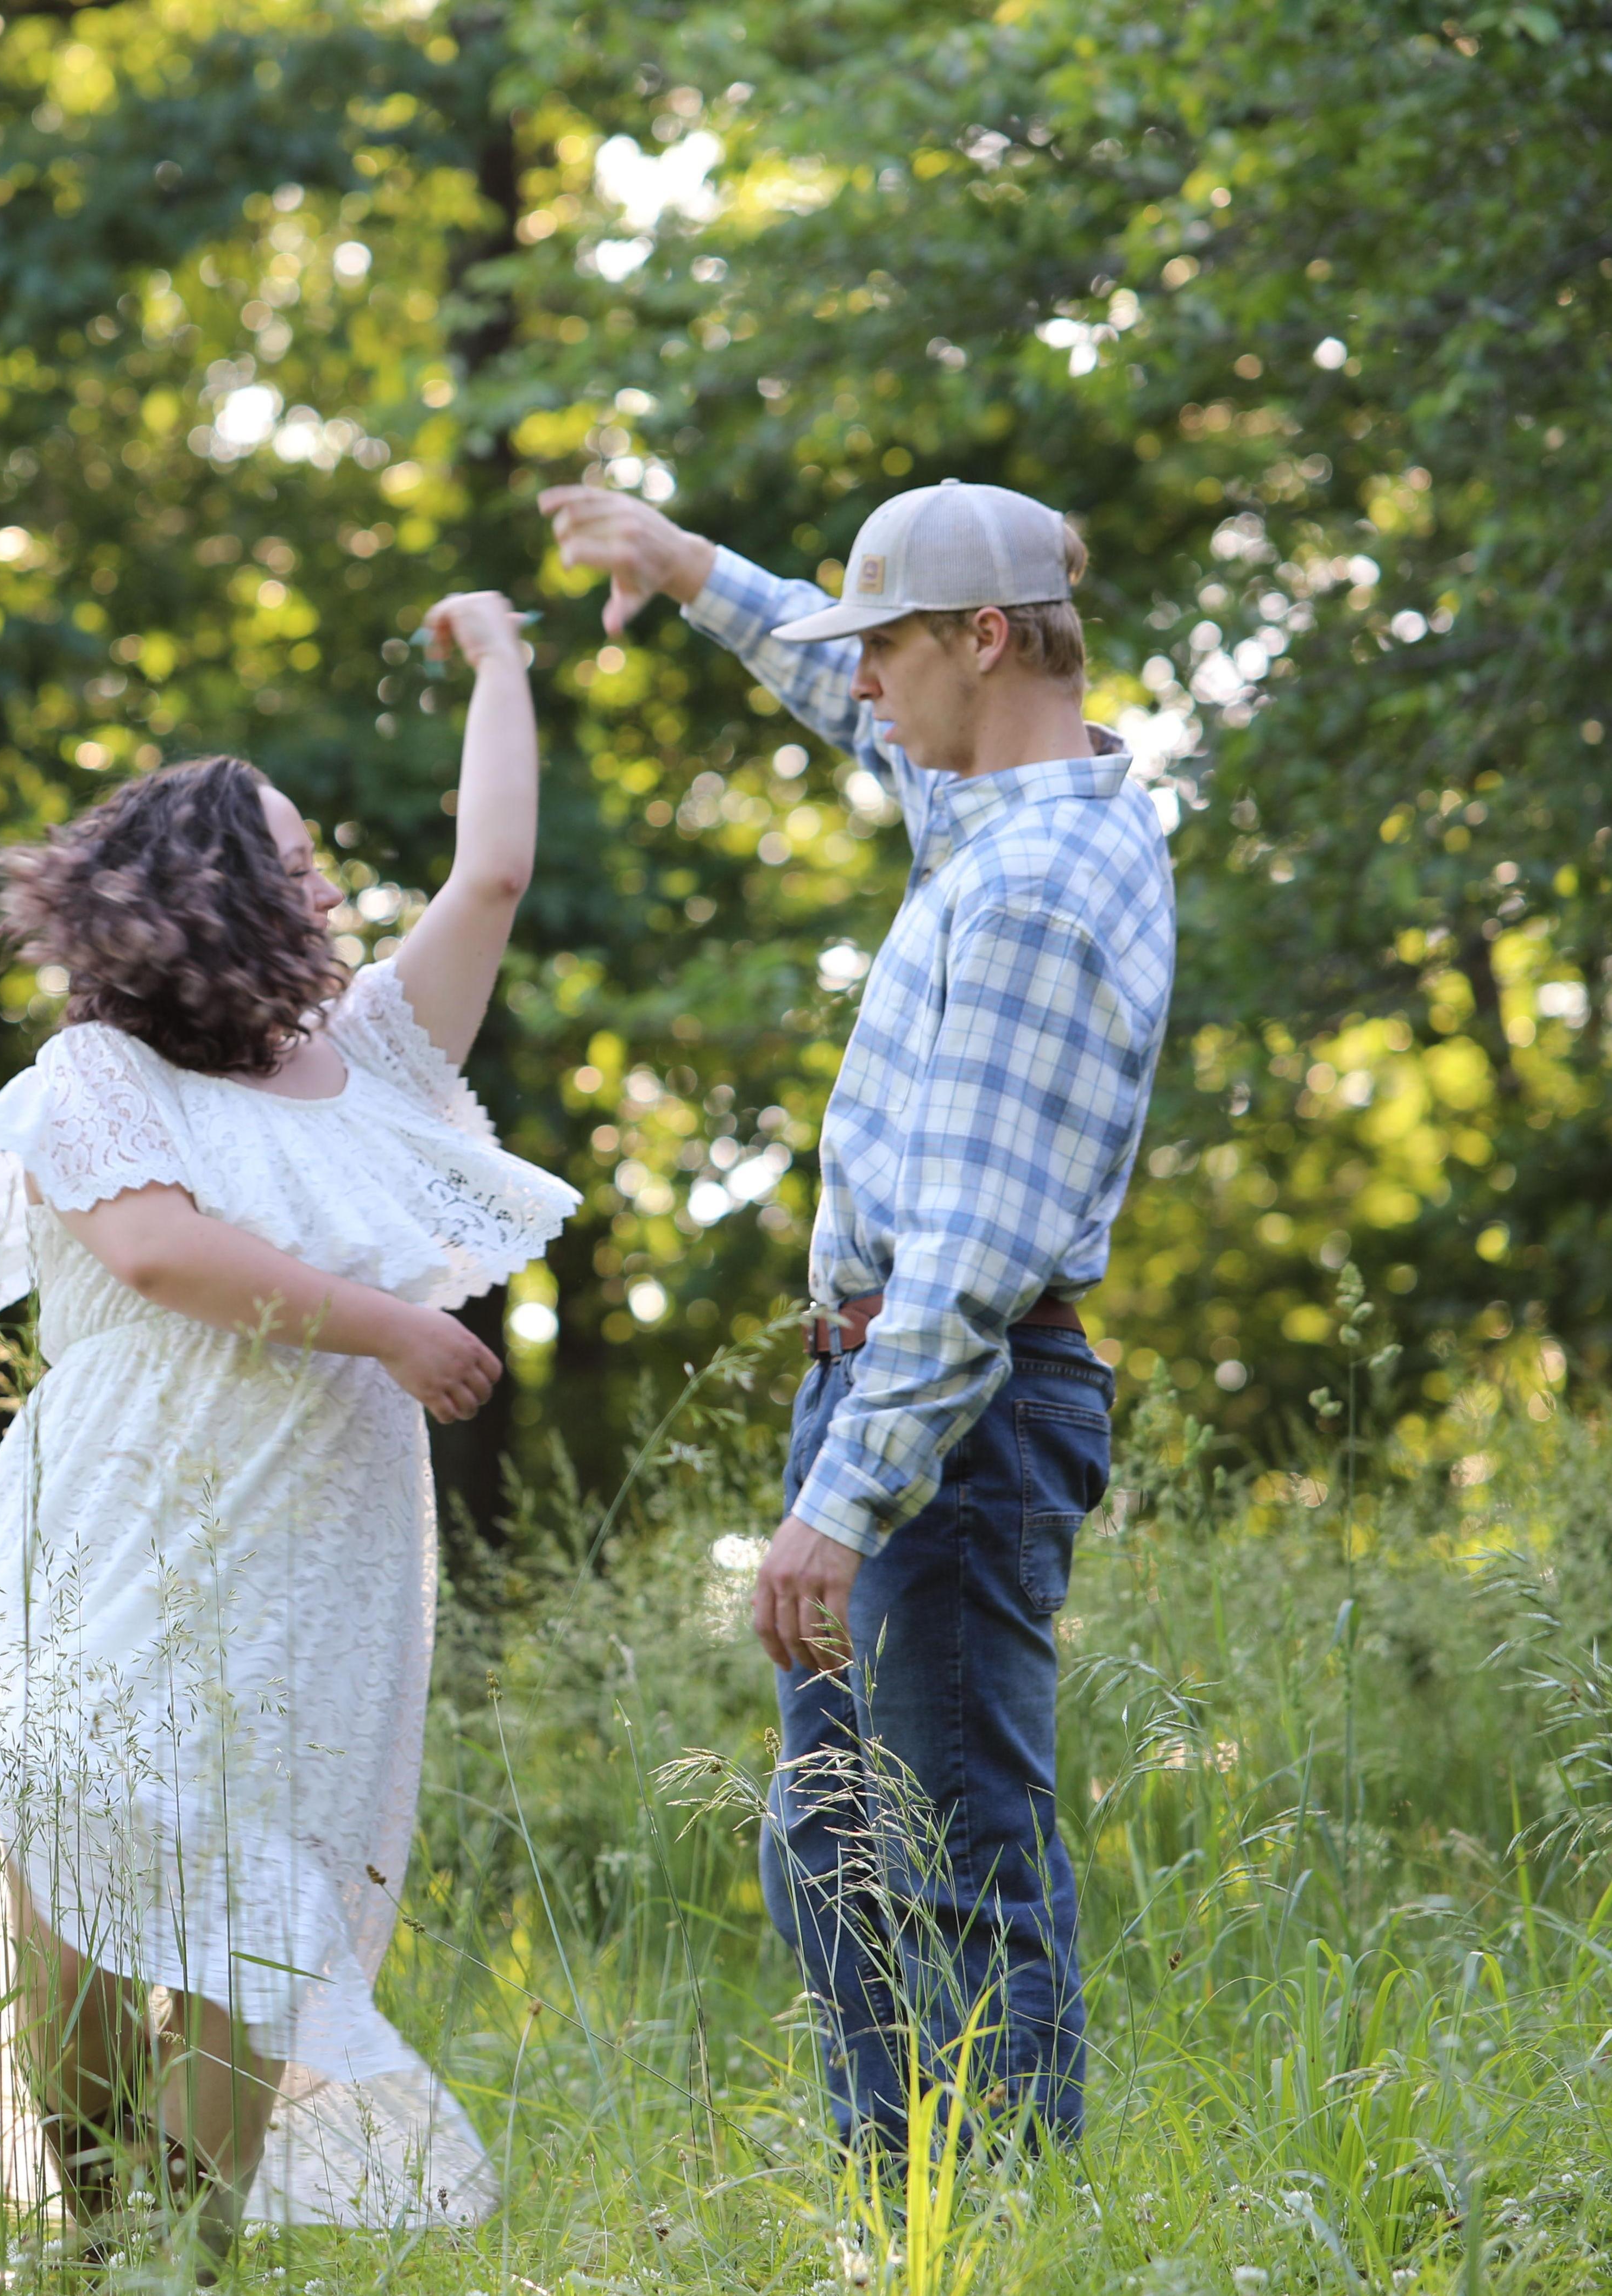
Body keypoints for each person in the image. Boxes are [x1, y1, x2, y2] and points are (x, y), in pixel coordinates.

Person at [0, 590, 576, 2259]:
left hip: (321, 1550)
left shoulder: (374, 1060)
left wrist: (505, 663)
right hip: (123, 1523)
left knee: (264, 1907)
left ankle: (179, 2259)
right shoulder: (97, 1076)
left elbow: (493, 875)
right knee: (70, 1872)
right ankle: (95, 2228)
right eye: (295, 862)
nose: (327, 889)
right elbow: (157, 1249)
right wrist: (390, 1323)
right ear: (213, 893)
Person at [539, 476, 1175, 2150]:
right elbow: (853, 700)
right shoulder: (995, 806)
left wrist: (840, 1502)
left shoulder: (1030, 889)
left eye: (889, 643)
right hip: (909, 1385)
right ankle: (899, 2213)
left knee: (951, 1854)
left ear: (986, 637)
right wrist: (689, 570)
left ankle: (999, 2227)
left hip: (951, 1403)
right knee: (833, 1839)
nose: (864, 680)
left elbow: (966, 1252)